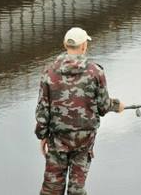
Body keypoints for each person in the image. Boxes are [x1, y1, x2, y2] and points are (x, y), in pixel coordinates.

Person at [35, 27, 124, 195]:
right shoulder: (95, 71)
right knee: (77, 189)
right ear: (84, 46)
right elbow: (103, 106)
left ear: (64, 44)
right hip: (85, 139)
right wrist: (117, 105)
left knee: (51, 188)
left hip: (58, 138)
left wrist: (42, 135)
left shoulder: (49, 72)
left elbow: (42, 109)